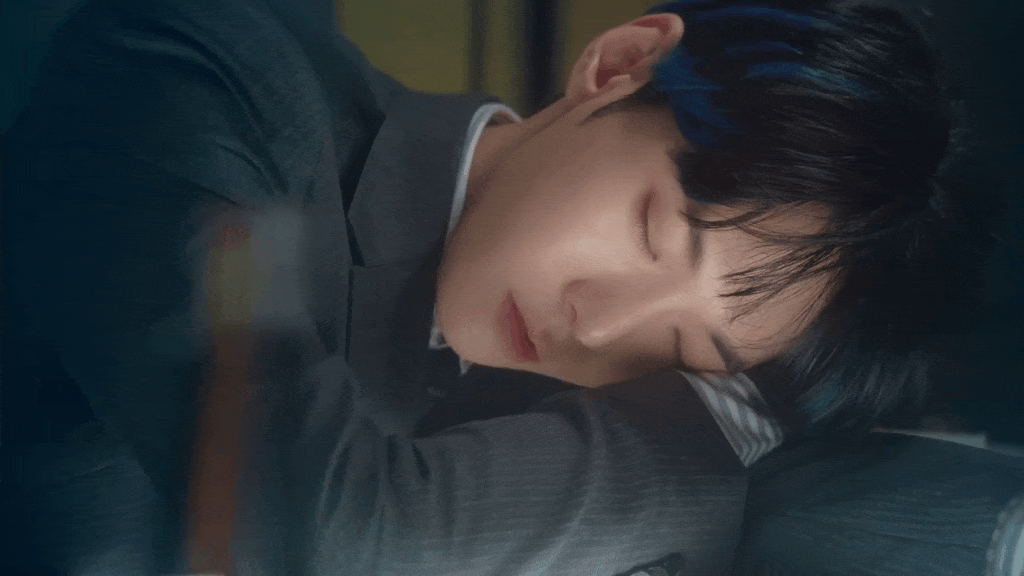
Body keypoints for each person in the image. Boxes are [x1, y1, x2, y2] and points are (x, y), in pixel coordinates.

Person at [1, 0, 993, 574]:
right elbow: (311, 526)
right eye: (653, 232)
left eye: (681, 351)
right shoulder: (210, 79)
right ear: (620, 64)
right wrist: (700, 443)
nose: (598, 330)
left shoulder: (554, 416)